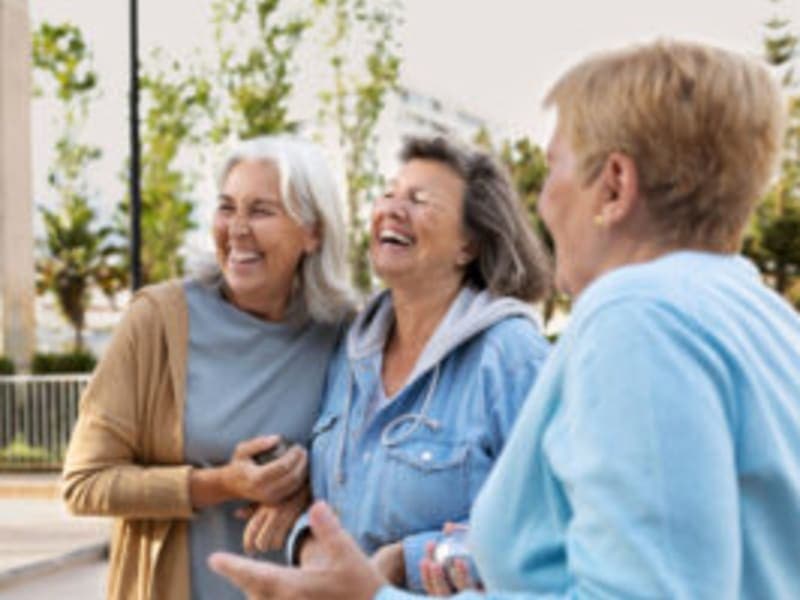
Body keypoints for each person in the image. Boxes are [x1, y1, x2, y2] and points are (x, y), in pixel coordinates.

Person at [208, 39, 800, 599]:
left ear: (614, 187)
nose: (541, 202)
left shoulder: (637, 319)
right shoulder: (763, 318)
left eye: (553, 169)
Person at [244, 136, 551, 592]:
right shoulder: (351, 349)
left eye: (419, 200)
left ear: (468, 244)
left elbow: (549, 525)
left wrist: (401, 562)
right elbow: (330, 498)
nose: (392, 209)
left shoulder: (511, 356)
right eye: (389, 193)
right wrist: (309, 542)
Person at [62, 135, 356, 600]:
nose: (237, 229)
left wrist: (305, 498)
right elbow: (84, 483)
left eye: (260, 210)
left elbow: (371, 474)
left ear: (312, 231)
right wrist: (219, 484)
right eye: (226, 207)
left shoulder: (346, 333)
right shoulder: (157, 320)